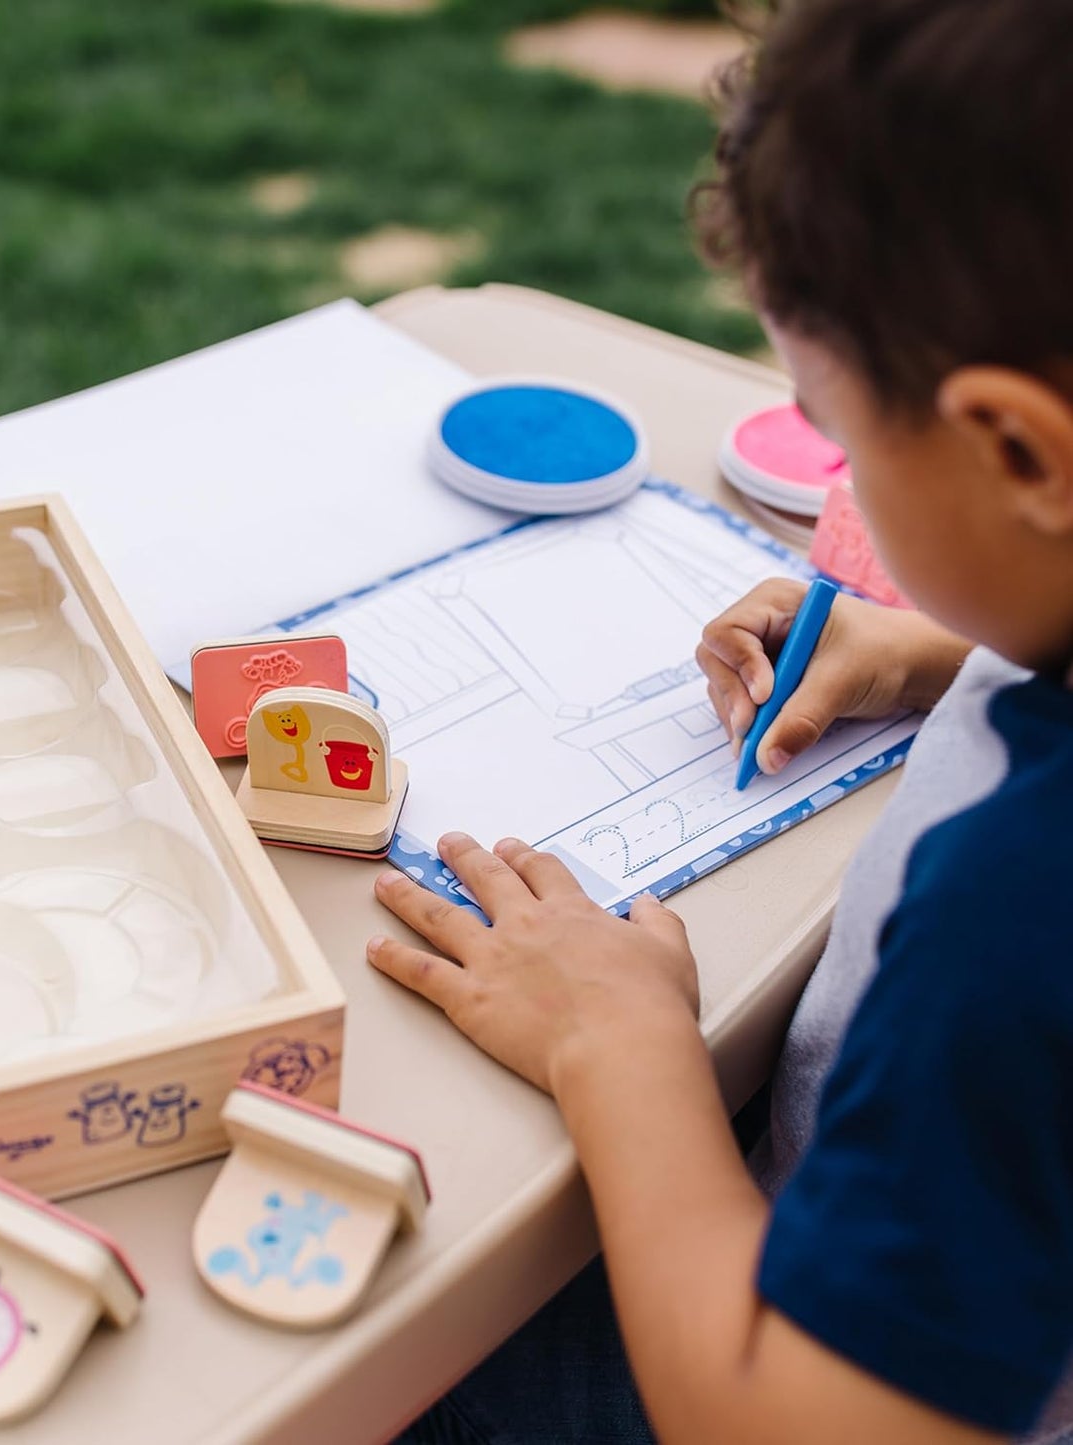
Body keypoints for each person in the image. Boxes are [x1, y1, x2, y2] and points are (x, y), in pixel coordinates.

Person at [369, 0, 1073, 1440]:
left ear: (1016, 448)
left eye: (835, 427)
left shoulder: (1023, 910)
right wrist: (949, 653)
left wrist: (621, 1047)